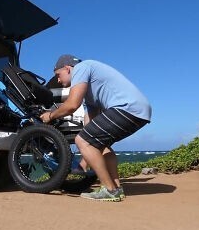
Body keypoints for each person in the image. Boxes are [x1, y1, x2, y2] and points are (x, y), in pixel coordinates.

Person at [40, 55, 151, 202]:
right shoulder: (90, 91)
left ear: (67, 68)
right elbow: (90, 122)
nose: (58, 80)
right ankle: (116, 187)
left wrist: (51, 115)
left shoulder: (81, 68)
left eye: (58, 75)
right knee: (101, 145)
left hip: (127, 108)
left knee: (82, 141)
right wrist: (85, 158)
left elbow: (72, 104)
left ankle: (110, 190)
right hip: (140, 111)